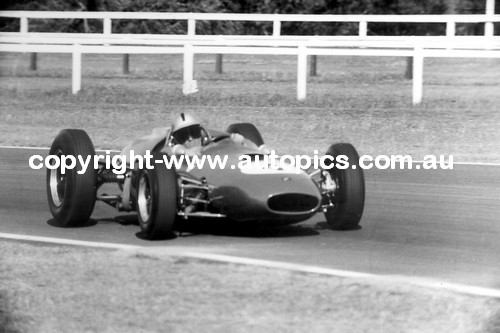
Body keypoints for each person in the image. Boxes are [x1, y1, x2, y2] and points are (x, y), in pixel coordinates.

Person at [167, 113, 245, 155]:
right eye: (182, 135)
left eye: (194, 132)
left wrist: (237, 140)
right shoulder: (175, 150)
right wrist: (186, 152)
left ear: (201, 132)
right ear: (176, 139)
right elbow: (177, 149)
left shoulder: (212, 142)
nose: (190, 138)